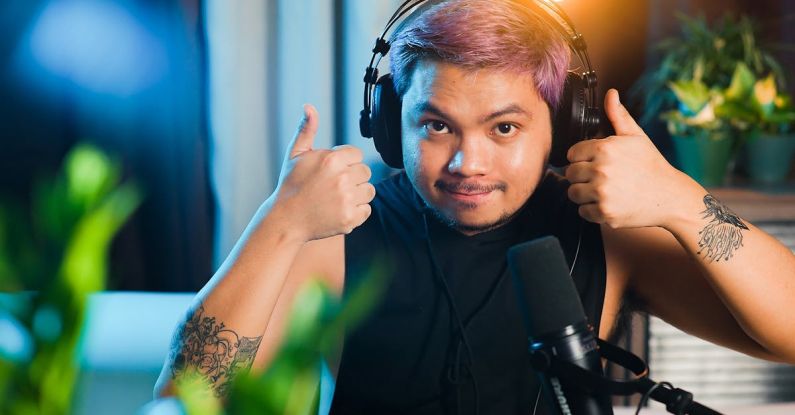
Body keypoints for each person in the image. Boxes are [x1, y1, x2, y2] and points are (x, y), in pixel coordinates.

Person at [155, 0, 795, 413]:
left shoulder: (605, 232)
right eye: (436, 126)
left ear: (563, 130)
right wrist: (280, 221)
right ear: (389, 126)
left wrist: (683, 201)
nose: (468, 163)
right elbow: (189, 401)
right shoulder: (335, 231)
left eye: (505, 129)